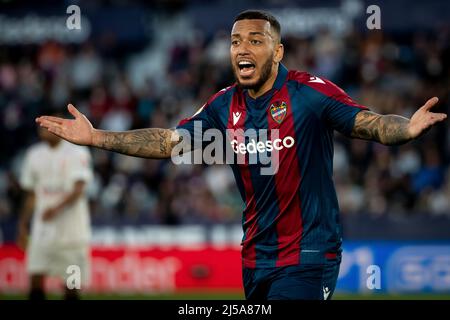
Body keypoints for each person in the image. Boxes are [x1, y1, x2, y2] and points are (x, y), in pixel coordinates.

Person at [36, 10, 447, 300]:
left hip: (309, 254)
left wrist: (406, 128)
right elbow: (167, 143)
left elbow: (370, 123)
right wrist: (97, 138)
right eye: (235, 41)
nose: (242, 48)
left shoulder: (309, 93)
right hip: (254, 258)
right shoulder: (222, 105)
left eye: (255, 39)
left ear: (279, 52)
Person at [17, 110, 93, 300]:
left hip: (72, 232)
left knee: (71, 286)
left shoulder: (77, 151)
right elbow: (32, 193)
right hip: (43, 230)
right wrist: (23, 224)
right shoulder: (34, 154)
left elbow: (79, 188)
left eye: (48, 126)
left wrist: (56, 209)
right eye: (41, 127)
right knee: (35, 279)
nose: (43, 131)